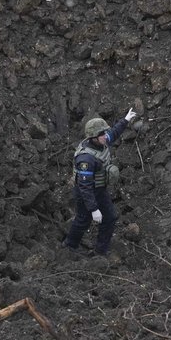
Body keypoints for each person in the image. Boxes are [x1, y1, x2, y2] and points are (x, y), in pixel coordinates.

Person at [63, 107, 138, 257]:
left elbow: (114, 133)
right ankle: (69, 246)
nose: (106, 136)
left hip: (100, 189)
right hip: (86, 192)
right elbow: (85, 187)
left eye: (104, 133)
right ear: (94, 137)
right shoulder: (86, 159)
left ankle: (100, 251)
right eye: (102, 134)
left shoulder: (101, 141)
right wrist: (93, 209)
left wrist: (126, 120)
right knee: (84, 220)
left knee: (110, 217)